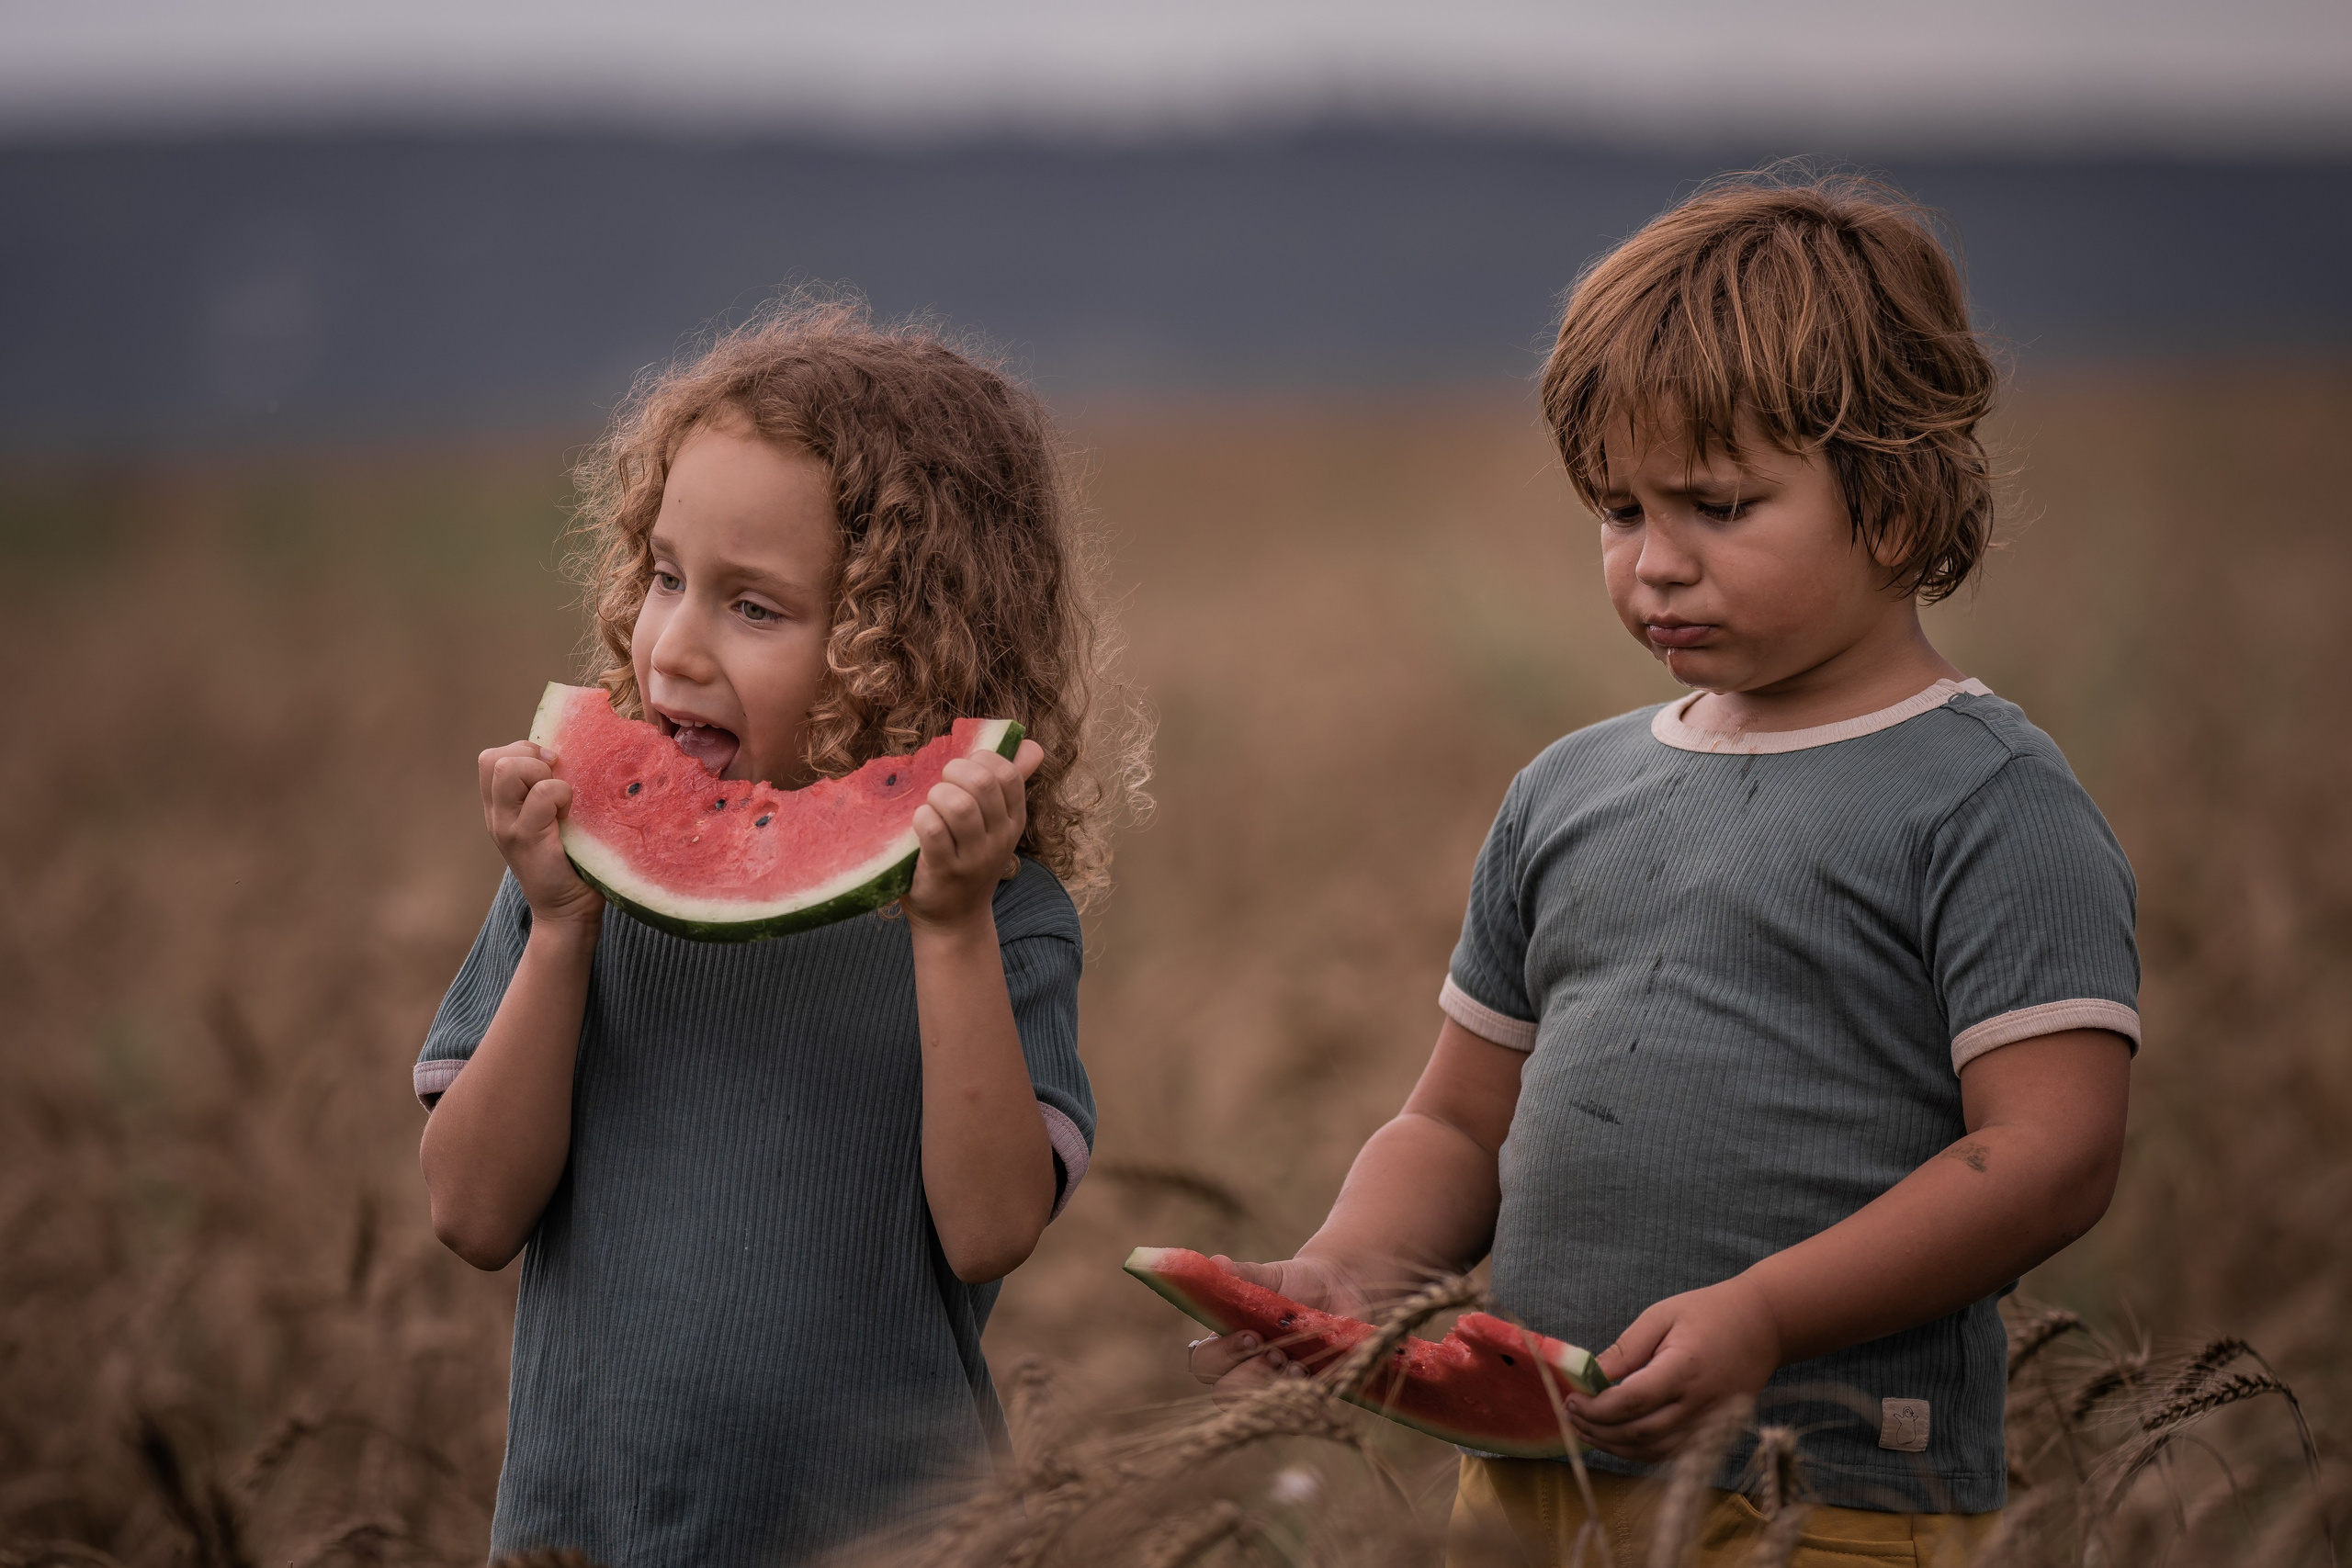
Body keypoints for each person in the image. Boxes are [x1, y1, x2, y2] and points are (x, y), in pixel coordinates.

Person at [1193, 175, 2138, 1566]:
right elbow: (1459, 1128)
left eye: (1717, 504)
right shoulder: (1567, 792)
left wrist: (1763, 1315)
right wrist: (1352, 1272)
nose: (1654, 566)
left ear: (1893, 499)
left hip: (1828, 1496)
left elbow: (2049, 1157)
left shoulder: (1990, 801)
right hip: (1530, 1480)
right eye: (1619, 511)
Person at [413, 301, 1141, 1567]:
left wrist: (952, 926)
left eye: (756, 608)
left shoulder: (1006, 918)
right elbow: (471, 1213)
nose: (677, 643)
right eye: (665, 576)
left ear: (902, 647)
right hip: (587, 1539)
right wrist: (560, 933)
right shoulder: (575, 881)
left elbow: (988, 1228)